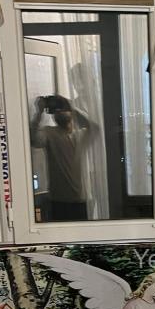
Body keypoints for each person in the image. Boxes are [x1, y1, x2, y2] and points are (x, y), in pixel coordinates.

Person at [29, 94, 98, 222]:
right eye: (57, 110)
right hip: (59, 200)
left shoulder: (80, 135)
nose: (60, 111)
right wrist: (39, 113)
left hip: (81, 200)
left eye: (63, 109)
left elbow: (95, 128)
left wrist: (71, 107)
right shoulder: (49, 133)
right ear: (53, 115)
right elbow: (33, 139)